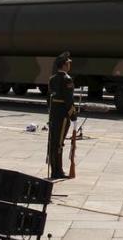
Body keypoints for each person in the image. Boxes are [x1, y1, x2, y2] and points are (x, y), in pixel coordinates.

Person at [47, 51, 78, 179]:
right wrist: (73, 115)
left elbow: (49, 99)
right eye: (68, 63)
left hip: (53, 114)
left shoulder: (52, 79)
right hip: (62, 116)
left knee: (53, 142)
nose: (69, 65)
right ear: (64, 65)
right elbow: (68, 100)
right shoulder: (67, 79)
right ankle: (57, 171)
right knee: (59, 143)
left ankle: (55, 168)